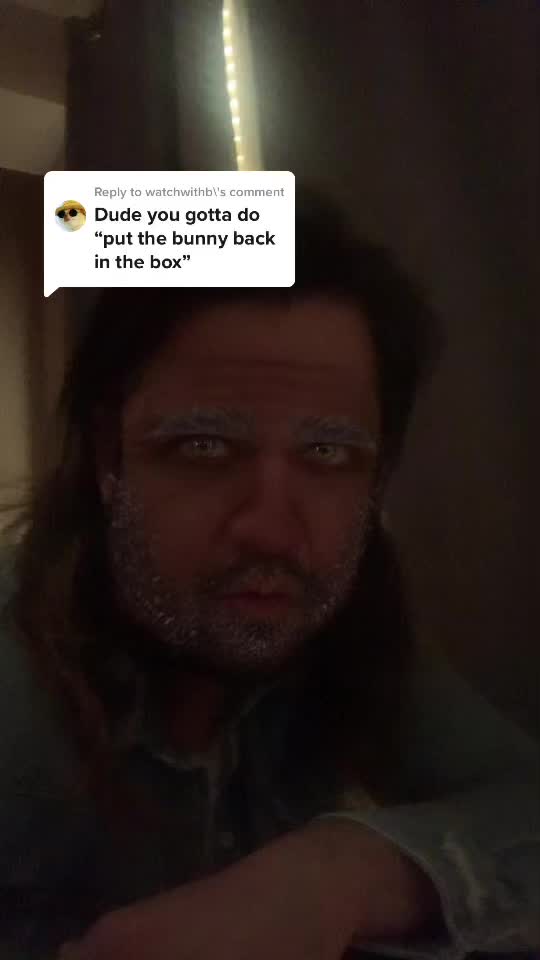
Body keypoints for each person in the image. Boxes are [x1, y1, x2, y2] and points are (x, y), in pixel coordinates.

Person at [0, 195, 538, 960]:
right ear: (108, 458)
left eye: (328, 456)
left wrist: (343, 873)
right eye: (204, 448)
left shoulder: (346, 634)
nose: (273, 531)